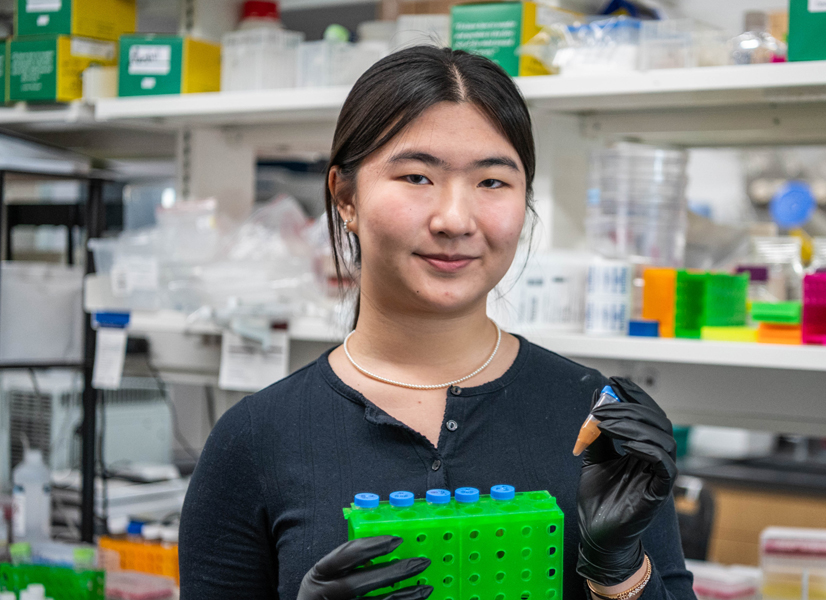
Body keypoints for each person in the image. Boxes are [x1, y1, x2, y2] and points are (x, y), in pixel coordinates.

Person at [179, 45, 694, 600]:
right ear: (345, 197)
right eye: (417, 177)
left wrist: (619, 573)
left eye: (493, 182)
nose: (455, 219)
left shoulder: (596, 420)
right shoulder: (257, 438)